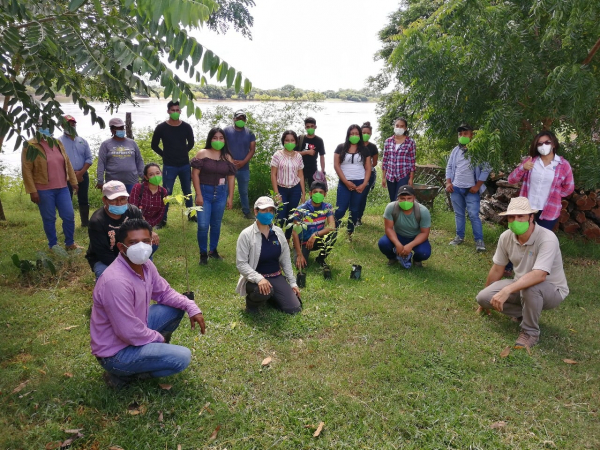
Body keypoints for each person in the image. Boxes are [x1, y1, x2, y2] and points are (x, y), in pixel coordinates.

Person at [91, 218, 205, 389]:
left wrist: (191, 306)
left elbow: (164, 293)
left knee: (177, 306)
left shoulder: (146, 265)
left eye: (145, 241)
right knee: (182, 358)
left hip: (136, 326)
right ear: (122, 248)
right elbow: (128, 332)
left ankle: (147, 355)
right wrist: (158, 339)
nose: (142, 246)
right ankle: (121, 374)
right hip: (116, 352)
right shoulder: (115, 282)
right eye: (134, 242)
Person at [475, 197, 569, 349]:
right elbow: (497, 268)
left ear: (531, 217)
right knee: (483, 298)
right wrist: (484, 301)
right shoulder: (506, 237)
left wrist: (506, 290)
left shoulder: (547, 238)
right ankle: (524, 312)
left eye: (520, 216)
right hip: (520, 284)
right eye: (512, 217)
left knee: (531, 287)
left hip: (552, 289)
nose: (515, 220)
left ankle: (530, 332)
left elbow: (540, 275)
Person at [235, 196, 302, 314]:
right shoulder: (246, 234)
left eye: (270, 210)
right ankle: (251, 305)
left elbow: (285, 260)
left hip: (276, 276)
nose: (268, 214)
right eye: (264, 210)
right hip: (254, 279)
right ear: (256, 212)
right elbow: (241, 264)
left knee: (294, 308)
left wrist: (292, 283)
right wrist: (259, 279)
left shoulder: (278, 233)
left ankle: (271, 296)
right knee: (262, 291)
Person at [22, 119, 81, 250]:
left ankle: (70, 243)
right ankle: (53, 245)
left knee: (69, 215)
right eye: (43, 126)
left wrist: (73, 182)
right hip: (43, 189)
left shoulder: (57, 143)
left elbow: (67, 163)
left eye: (49, 126)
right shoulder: (30, 145)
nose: (47, 129)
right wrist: (32, 191)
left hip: (63, 188)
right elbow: (26, 170)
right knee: (49, 218)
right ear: (37, 128)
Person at [86, 181, 159, 279]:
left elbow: (144, 228)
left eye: (123, 199)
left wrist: (150, 232)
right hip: (106, 258)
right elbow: (103, 254)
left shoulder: (133, 211)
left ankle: (144, 265)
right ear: (104, 200)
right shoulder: (97, 221)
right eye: (114, 200)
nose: (119, 203)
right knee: (106, 276)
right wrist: (129, 266)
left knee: (153, 243)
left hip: (130, 251)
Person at [507, 130, 574, 231]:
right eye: (540, 143)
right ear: (536, 146)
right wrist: (523, 168)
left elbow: (569, 188)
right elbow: (511, 180)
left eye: (547, 142)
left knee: (541, 240)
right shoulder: (530, 161)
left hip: (549, 210)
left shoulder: (563, 165)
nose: (544, 146)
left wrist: (555, 193)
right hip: (526, 209)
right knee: (523, 237)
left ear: (554, 144)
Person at [191, 127, 236, 264]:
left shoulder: (227, 157)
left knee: (216, 224)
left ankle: (213, 250)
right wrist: (198, 194)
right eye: (215, 138)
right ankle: (203, 253)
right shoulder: (202, 153)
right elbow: (195, 175)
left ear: (224, 140)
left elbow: (231, 178)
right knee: (203, 225)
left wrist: (230, 197)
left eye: (221, 138)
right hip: (204, 193)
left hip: (221, 194)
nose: (218, 140)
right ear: (210, 139)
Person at [445, 123, 491, 252]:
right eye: (460, 134)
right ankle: (459, 237)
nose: (462, 136)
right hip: (456, 189)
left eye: (465, 133)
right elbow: (449, 167)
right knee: (459, 214)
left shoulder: (479, 150)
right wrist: (449, 183)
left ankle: (479, 241)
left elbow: (486, 169)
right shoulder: (455, 151)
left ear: (472, 135)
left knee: (473, 214)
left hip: (471, 190)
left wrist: (477, 186)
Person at [151, 100, 196, 226]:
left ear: (180, 111)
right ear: (168, 111)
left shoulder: (186, 127)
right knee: (166, 193)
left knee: (187, 191)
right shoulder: (161, 128)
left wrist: (182, 152)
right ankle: (162, 219)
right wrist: (164, 155)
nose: (175, 112)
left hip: (184, 165)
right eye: (173, 110)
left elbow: (191, 143)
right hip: (169, 166)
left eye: (177, 110)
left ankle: (191, 215)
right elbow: (154, 145)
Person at [378, 185, 431, 268]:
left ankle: (416, 260)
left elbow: (424, 233)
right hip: (398, 235)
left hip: (415, 237)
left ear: (414, 198)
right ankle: (393, 257)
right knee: (383, 243)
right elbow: (388, 228)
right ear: (398, 198)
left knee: (424, 253)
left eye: (409, 198)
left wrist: (410, 245)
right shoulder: (391, 207)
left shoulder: (423, 211)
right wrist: (397, 243)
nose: (406, 201)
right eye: (402, 198)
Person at [333, 124, 372, 237]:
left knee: (354, 210)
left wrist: (364, 184)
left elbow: (368, 168)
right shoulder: (340, 148)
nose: (354, 136)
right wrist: (345, 182)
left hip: (360, 183)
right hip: (344, 183)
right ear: (348, 135)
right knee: (340, 209)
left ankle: (349, 232)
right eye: (352, 134)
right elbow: (336, 165)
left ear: (360, 135)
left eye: (356, 134)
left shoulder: (365, 150)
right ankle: (333, 231)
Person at [291, 181, 336, 269]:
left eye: (321, 192)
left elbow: (332, 226)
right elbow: (295, 233)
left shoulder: (327, 207)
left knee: (333, 235)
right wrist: (300, 254)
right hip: (303, 242)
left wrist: (315, 235)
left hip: (317, 238)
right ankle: (300, 252)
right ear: (310, 193)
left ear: (325, 194)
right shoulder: (301, 209)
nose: (318, 194)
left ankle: (320, 259)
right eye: (315, 192)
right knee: (300, 267)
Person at [58, 115, 93, 227]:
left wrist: (81, 173)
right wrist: (72, 175)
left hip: (82, 174)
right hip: (66, 175)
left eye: (73, 123)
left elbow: (89, 158)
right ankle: (68, 224)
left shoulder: (82, 141)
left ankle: (85, 223)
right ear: (62, 125)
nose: (72, 125)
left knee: (83, 198)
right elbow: (58, 161)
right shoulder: (58, 142)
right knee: (66, 200)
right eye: (69, 123)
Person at [271, 130, 305, 240]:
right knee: (280, 217)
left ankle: (287, 239)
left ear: (296, 142)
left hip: (295, 189)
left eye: (292, 140)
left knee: (292, 216)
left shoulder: (298, 156)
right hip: (281, 189)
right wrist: (276, 193)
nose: (289, 142)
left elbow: (301, 175)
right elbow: (273, 175)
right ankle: (277, 239)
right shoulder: (277, 155)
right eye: (287, 140)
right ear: (283, 141)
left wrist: (303, 193)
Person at [96, 117, 144, 194]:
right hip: (113, 183)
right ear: (111, 130)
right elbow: (101, 163)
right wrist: (100, 180)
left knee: (132, 204)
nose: (120, 130)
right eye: (117, 128)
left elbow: (139, 161)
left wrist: (143, 176)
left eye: (121, 127)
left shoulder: (132, 143)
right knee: (116, 203)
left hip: (132, 181)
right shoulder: (106, 144)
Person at [223, 110, 256, 219]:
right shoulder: (226, 131)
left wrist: (243, 162)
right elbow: (222, 147)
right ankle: (220, 210)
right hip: (228, 167)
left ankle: (246, 212)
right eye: (238, 118)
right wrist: (230, 160)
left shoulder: (250, 133)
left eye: (243, 118)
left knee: (243, 191)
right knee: (225, 189)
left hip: (244, 168)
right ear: (234, 119)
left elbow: (252, 150)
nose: (240, 120)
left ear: (245, 120)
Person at [129, 163, 167, 255]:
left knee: (153, 245)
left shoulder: (163, 192)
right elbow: (132, 209)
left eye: (158, 173)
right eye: (151, 174)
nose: (155, 176)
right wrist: (147, 229)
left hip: (149, 227)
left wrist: (148, 228)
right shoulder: (138, 187)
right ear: (146, 177)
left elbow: (160, 214)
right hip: (133, 225)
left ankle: (145, 263)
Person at [381, 117, 416, 201]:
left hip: (403, 175)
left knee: (399, 198)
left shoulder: (410, 142)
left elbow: (412, 162)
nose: (399, 128)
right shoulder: (388, 141)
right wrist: (383, 177)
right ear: (394, 127)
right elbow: (385, 160)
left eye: (401, 126)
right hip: (390, 175)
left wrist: (411, 178)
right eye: (397, 126)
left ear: (405, 128)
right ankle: (394, 213)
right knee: (392, 200)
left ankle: (399, 213)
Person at [356, 121, 379, 226]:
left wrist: (367, 167)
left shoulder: (373, 147)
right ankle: (352, 216)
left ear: (370, 134)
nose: (365, 134)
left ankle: (358, 218)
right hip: (355, 174)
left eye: (368, 133)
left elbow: (374, 163)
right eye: (363, 132)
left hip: (368, 175)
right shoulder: (354, 145)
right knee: (354, 196)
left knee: (362, 196)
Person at [295, 117, 326, 187]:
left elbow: (322, 156)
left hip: (313, 169)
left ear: (315, 127)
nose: (310, 128)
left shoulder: (319, 140)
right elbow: (293, 153)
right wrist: (306, 152)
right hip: (300, 169)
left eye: (312, 126)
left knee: (314, 189)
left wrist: (322, 170)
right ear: (305, 128)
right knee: (298, 190)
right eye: (308, 127)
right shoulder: (300, 138)